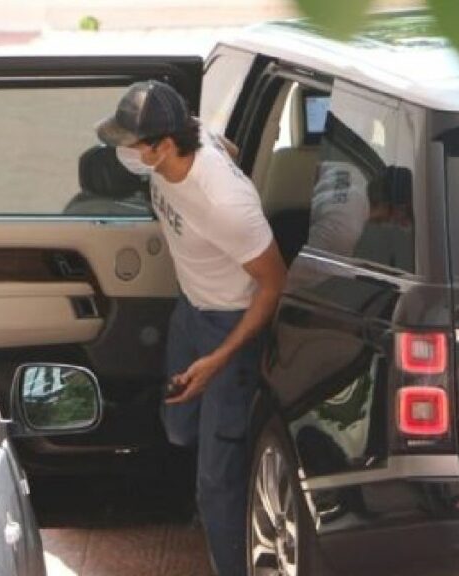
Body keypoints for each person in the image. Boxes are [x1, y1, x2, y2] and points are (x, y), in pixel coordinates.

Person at [96, 80, 286, 576]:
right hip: (190, 312)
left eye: (132, 144)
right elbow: (230, 147)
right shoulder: (192, 130)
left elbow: (273, 284)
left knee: (215, 484)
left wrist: (220, 359)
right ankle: (228, 453)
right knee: (178, 429)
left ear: (161, 146)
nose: (125, 153)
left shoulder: (225, 206)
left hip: (231, 327)